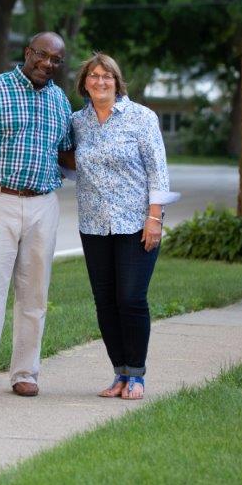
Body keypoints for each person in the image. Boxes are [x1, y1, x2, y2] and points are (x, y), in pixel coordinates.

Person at [0, 32, 74, 399]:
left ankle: (25, 372)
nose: (47, 64)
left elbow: (68, 157)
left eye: (55, 60)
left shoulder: (60, 101)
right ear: (28, 53)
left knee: (34, 295)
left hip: (43, 204)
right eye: (42, 55)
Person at [68, 53, 178, 400]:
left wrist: (155, 218)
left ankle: (137, 375)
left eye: (108, 77)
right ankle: (119, 372)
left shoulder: (141, 118)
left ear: (117, 82)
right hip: (94, 225)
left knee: (131, 299)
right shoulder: (77, 123)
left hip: (136, 224)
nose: (101, 82)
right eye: (94, 76)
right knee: (105, 302)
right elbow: (69, 165)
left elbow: (158, 170)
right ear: (84, 83)